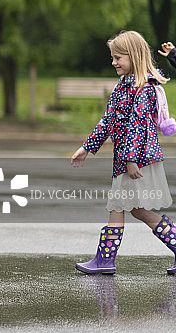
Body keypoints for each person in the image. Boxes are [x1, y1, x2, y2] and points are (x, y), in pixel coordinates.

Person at [71, 30, 176, 274]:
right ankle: (105, 260)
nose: (114, 62)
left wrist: (130, 160)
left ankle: (104, 260)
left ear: (135, 56)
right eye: (113, 57)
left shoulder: (143, 88)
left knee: (117, 205)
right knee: (137, 209)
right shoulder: (124, 86)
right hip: (128, 158)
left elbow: (137, 126)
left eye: (119, 57)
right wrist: (87, 147)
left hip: (136, 158)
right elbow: (108, 120)